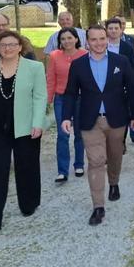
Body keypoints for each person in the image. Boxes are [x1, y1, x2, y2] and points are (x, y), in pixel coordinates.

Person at [62, 25, 134, 226]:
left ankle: (114, 182)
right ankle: (98, 206)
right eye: (94, 39)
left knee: (114, 156)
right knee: (96, 161)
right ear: (87, 42)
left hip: (116, 119)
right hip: (90, 120)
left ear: (107, 39)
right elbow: (70, 93)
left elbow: (132, 89)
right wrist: (65, 117)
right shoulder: (78, 65)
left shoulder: (120, 62)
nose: (99, 43)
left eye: (102, 38)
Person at [0, 31, 47, 231]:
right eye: (4, 45)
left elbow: (40, 97)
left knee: (26, 166)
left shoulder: (34, 67)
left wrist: (38, 123)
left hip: (26, 126)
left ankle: (29, 203)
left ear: (20, 47)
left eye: (13, 44)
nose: (8, 48)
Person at [46, 28, 88, 183]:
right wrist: (49, 99)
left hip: (80, 98)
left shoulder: (84, 55)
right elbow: (51, 78)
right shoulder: (54, 56)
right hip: (61, 98)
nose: (66, 41)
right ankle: (62, 171)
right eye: (63, 39)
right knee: (62, 134)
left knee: (79, 132)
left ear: (76, 39)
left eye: (70, 38)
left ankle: (79, 164)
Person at [106, 17, 134, 147]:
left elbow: (133, 66)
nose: (113, 31)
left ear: (121, 30)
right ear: (106, 30)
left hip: (122, 88)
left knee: (123, 116)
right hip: (104, 88)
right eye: (110, 28)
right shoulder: (101, 45)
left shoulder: (127, 47)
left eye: (116, 28)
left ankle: (121, 143)